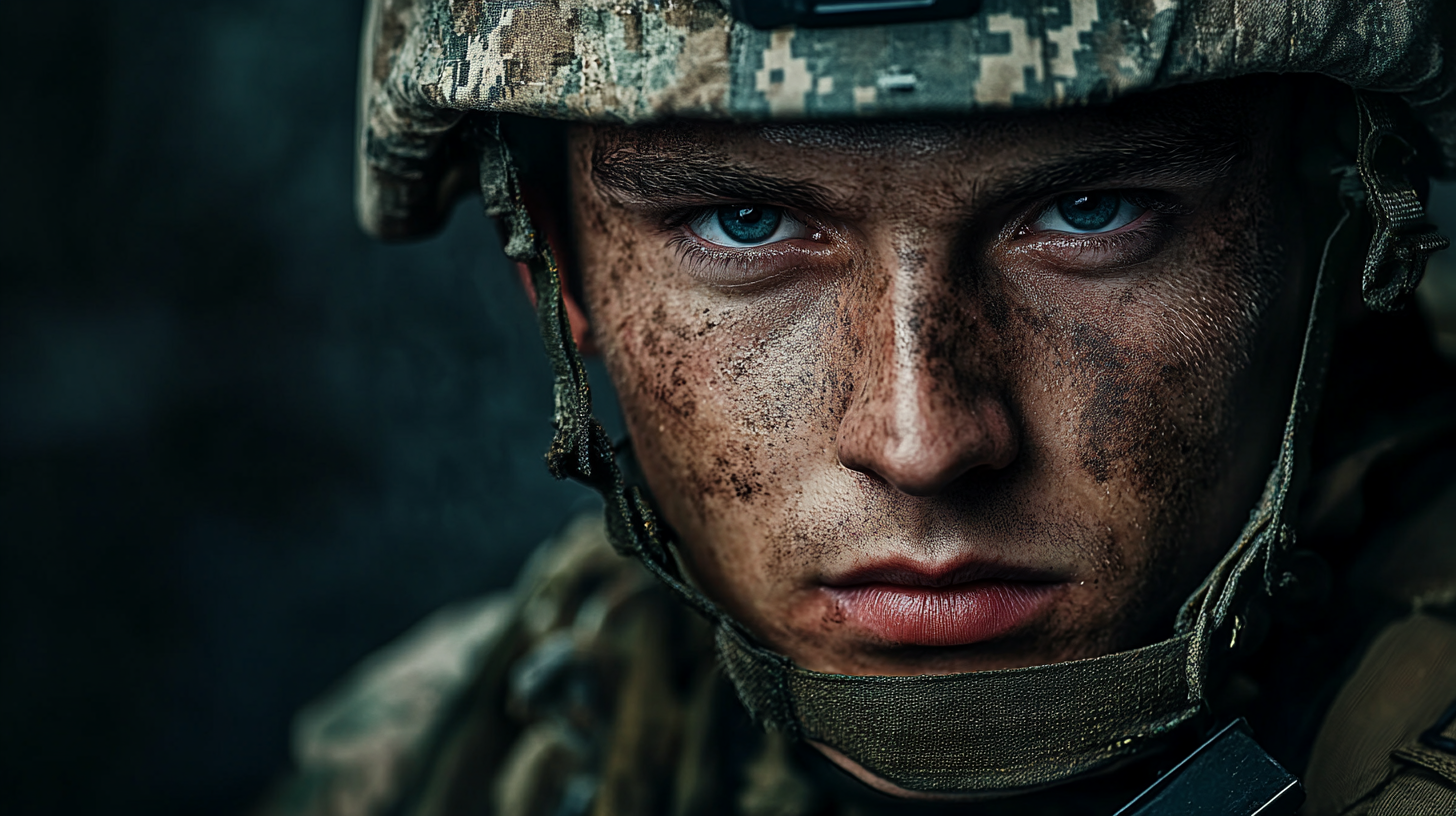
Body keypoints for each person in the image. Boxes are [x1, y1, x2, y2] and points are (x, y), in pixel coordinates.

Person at [260, 1, 1456, 814]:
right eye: (746, 224)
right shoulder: (453, 755)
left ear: (1337, 231)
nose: (921, 440)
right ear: (558, 275)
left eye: (1092, 211)